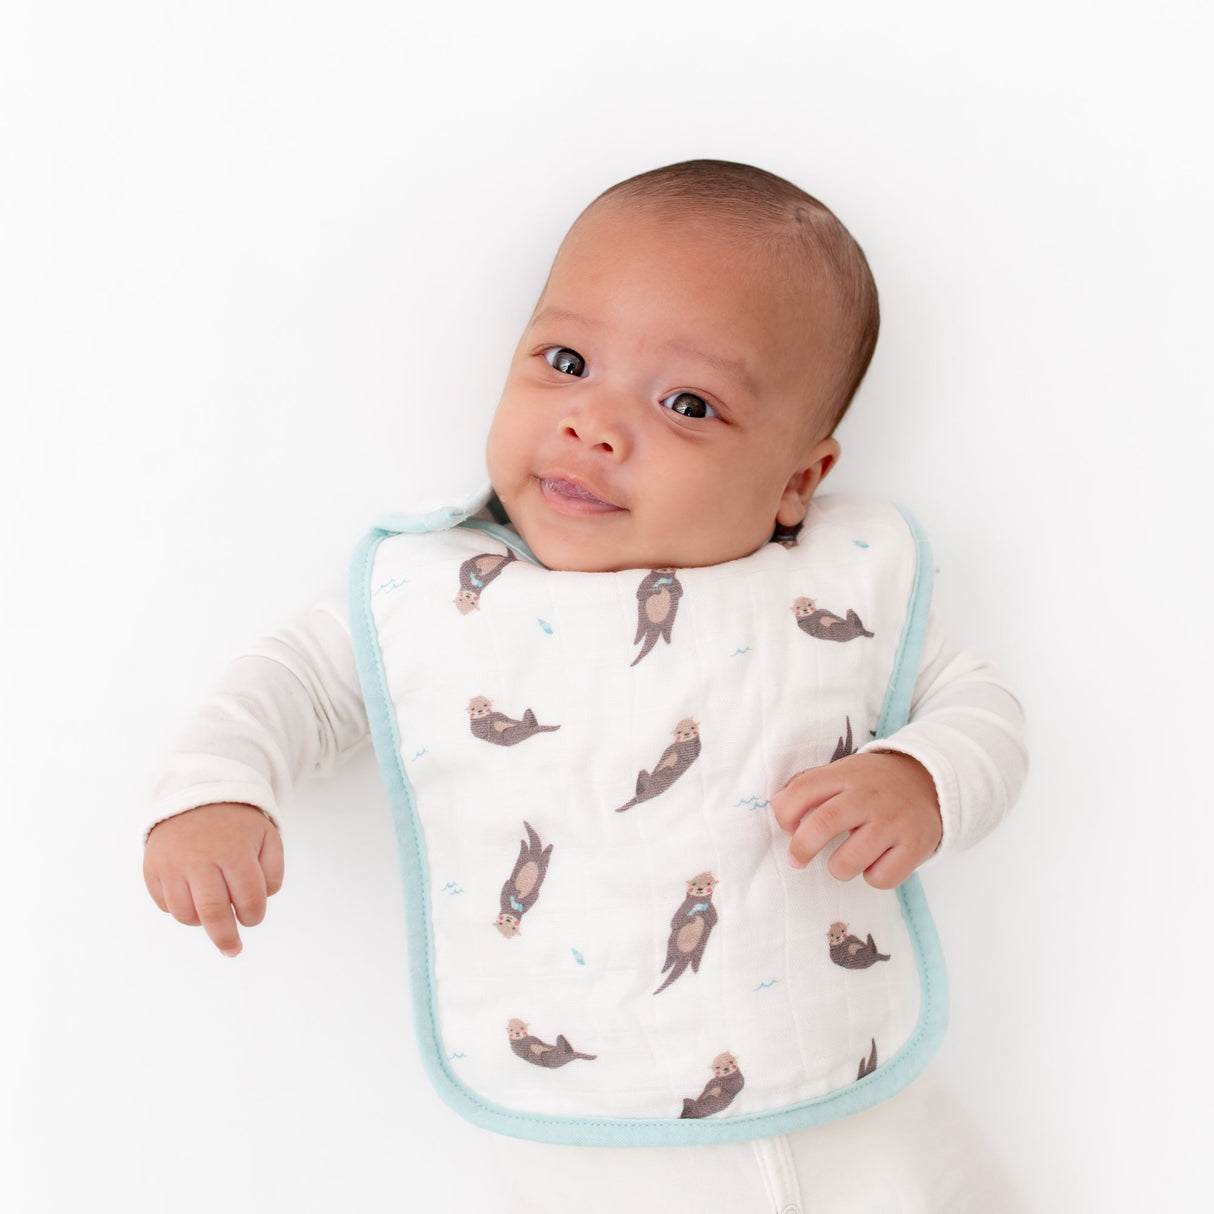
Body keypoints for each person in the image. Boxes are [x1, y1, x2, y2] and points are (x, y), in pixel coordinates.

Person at [143, 160, 1027, 1212]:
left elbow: (981, 708)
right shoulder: (440, 595)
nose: (594, 424)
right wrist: (214, 786)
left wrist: (922, 777)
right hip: (594, 1152)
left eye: (687, 403)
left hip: (863, 1121)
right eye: (566, 361)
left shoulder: (832, 585)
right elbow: (295, 683)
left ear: (796, 481)